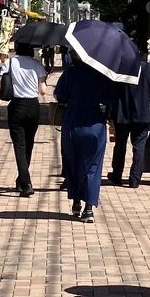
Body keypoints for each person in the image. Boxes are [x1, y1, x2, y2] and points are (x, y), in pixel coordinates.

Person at [55, 53, 111, 222]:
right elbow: (110, 98)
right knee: (93, 166)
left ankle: (76, 202)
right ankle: (88, 209)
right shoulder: (101, 74)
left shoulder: (70, 73)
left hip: (72, 122)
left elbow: (60, 95)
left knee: (73, 163)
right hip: (95, 123)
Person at [0, 42, 47, 196]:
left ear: (16, 48)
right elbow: (43, 91)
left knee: (19, 145)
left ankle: (25, 183)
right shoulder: (37, 65)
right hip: (33, 106)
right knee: (29, 144)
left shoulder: (9, 63)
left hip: (16, 106)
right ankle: (22, 181)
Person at [107, 61, 150, 189]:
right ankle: (135, 178)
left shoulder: (120, 67)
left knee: (120, 145)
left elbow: (112, 89)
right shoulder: (149, 69)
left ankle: (117, 175)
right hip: (142, 113)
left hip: (123, 112)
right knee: (139, 146)